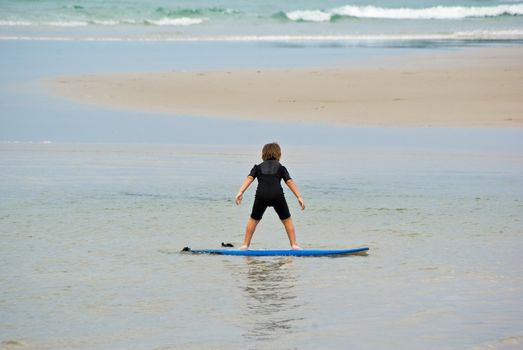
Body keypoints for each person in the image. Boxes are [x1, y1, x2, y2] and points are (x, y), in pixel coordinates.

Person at [235, 142, 305, 250]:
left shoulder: (258, 167)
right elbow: (289, 181)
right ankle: (294, 245)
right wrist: (299, 197)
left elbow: (249, 178)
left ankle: (245, 245)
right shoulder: (281, 168)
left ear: (263, 154)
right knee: (287, 220)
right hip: (277, 195)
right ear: (279, 154)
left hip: (261, 195)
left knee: (253, 219)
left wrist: (240, 191)